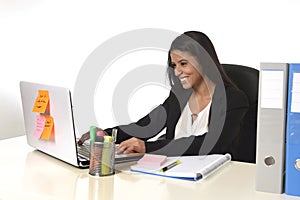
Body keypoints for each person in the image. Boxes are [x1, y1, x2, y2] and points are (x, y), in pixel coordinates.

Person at [78, 31, 249, 159]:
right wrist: (107, 134)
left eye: (183, 64)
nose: (177, 71)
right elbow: (146, 125)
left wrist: (148, 147)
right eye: (174, 65)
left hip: (214, 180)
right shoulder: (179, 96)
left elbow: (212, 145)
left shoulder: (233, 100)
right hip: (172, 174)